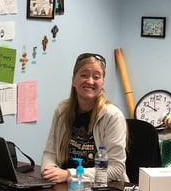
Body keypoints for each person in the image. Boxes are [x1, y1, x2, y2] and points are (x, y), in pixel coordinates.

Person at [41, 53, 128, 184]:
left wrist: (69, 174)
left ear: (102, 82)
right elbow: (50, 153)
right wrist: (49, 169)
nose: (90, 81)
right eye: (84, 75)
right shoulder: (62, 110)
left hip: (103, 190)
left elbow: (116, 169)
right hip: (67, 187)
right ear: (73, 80)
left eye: (96, 76)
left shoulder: (112, 116)